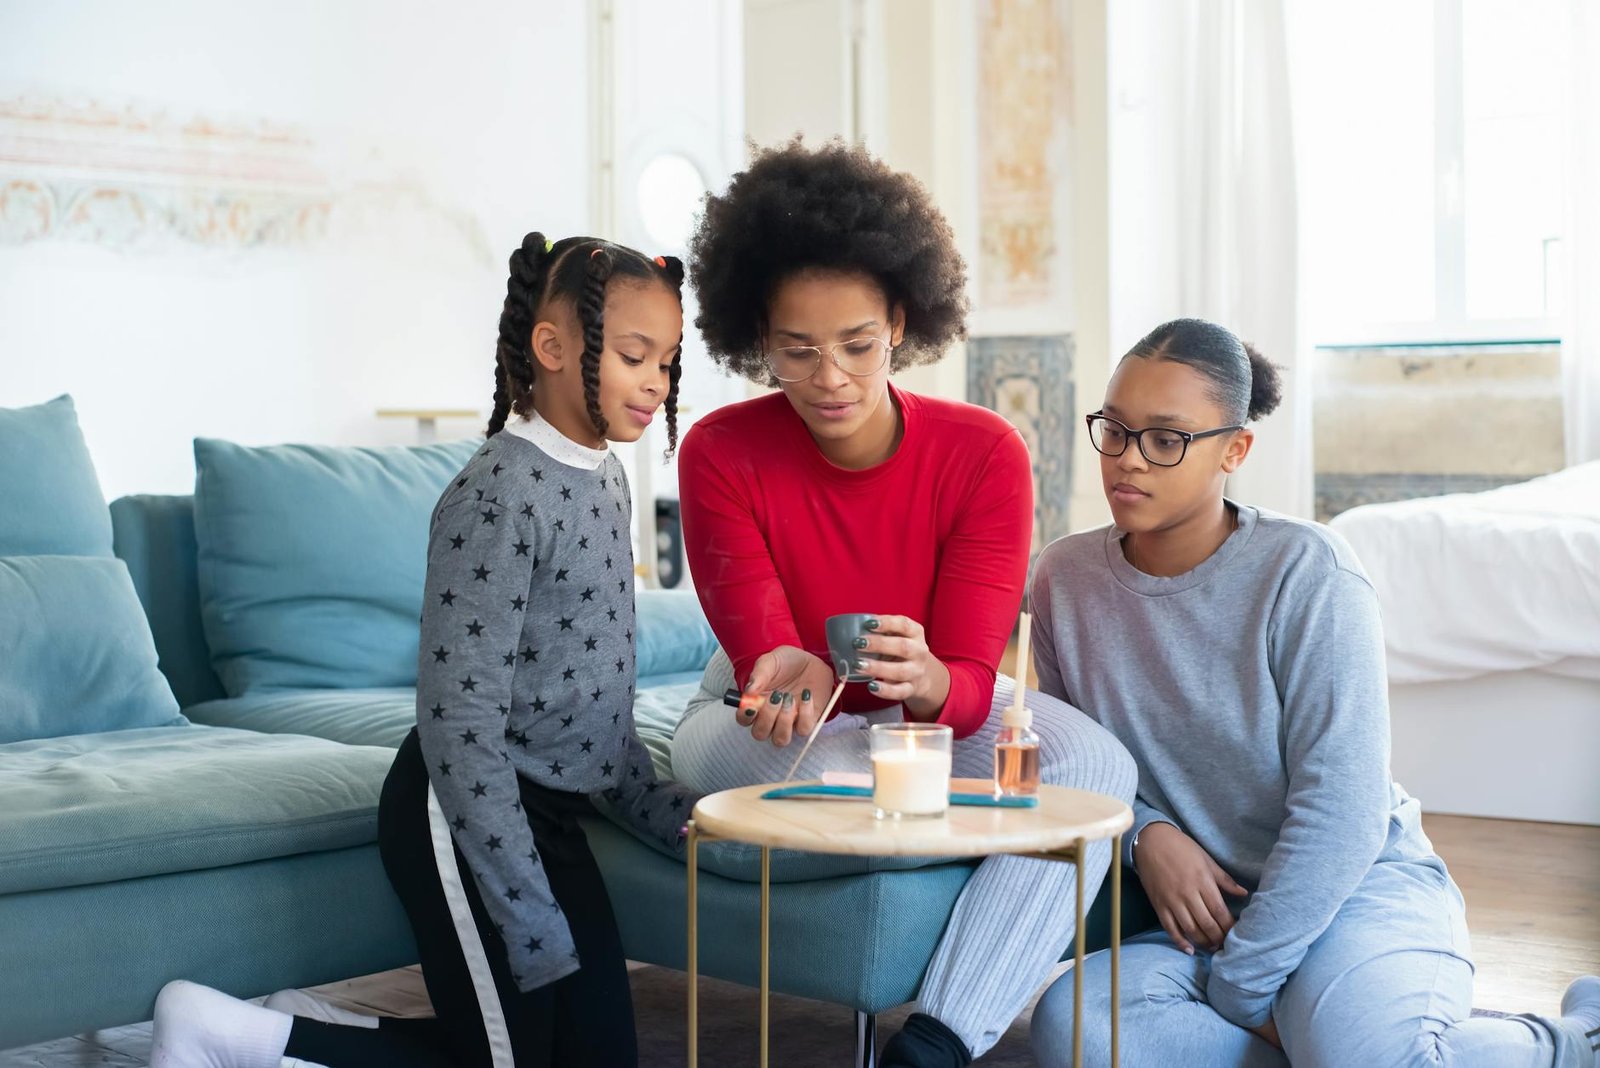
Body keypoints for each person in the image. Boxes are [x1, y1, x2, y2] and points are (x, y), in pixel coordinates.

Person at [151, 234, 701, 1068]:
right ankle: (227, 1037)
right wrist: (524, 908)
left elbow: (589, 694)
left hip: (550, 819)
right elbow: (458, 723)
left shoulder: (603, 477)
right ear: (551, 349)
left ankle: (280, 1038)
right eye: (634, 356)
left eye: (666, 360)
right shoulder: (498, 493)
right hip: (464, 808)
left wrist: (680, 816)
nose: (656, 382)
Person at [670, 139, 1138, 1067]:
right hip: (769, 703)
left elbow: (972, 679)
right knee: (850, 772)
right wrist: (781, 664)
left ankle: (937, 1039)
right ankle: (987, 844)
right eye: (795, 351)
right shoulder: (720, 450)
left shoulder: (983, 454)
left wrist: (927, 679)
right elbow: (766, 651)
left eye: (856, 345)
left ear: (900, 318)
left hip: (931, 700)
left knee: (1094, 763)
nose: (831, 378)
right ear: (755, 337)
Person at [1027, 317, 1600, 1067]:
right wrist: (1145, 834)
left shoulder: (1310, 572)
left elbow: (1344, 813)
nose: (1128, 460)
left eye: (1167, 439)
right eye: (1116, 430)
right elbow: (1075, 760)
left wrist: (1241, 991)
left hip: (1352, 894)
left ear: (1235, 449)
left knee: (1365, 1054)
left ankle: (1573, 1039)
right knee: (1076, 1035)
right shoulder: (1064, 579)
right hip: (1205, 916)